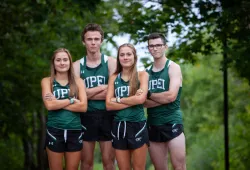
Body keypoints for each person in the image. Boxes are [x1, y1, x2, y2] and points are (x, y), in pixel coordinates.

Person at [73, 23, 116, 170]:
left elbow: (114, 92)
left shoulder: (111, 63)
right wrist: (103, 88)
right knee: (86, 163)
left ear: (101, 41)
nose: (93, 42)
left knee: (108, 162)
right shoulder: (76, 66)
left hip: (108, 115)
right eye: (89, 39)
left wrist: (86, 92)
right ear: (83, 41)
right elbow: (75, 95)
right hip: (85, 115)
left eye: (96, 39)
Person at [144, 33, 186, 170]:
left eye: (158, 45)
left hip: (172, 121)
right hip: (153, 124)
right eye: (151, 46)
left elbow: (172, 96)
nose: (155, 48)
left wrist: (149, 94)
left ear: (165, 47)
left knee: (178, 166)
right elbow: (142, 103)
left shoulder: (173, 68)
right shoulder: (145, 73)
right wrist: (164, 98)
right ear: (148, 48)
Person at [41, 48, 88, 170]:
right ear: (53, 63)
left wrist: (57, 102)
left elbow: (83, 107)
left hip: (74, 130)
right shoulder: (47, 81)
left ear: (70, 62)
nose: (62, 63)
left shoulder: (78, 82)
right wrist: (71, 100)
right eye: (58, 60)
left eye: (65, 60)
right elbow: (49, 106)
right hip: (55, 131)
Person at [106, 43, 149, 170]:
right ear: (118, 58)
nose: (125, 57)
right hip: (119, 126)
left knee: (138, 168)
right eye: (122, 55)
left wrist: (117, 99)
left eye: (128, 54)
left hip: (138, 125)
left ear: (134, 57)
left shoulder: (142, 75)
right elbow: (108, 105)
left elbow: (141, 99)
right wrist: (132, 100)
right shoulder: (114, 77)